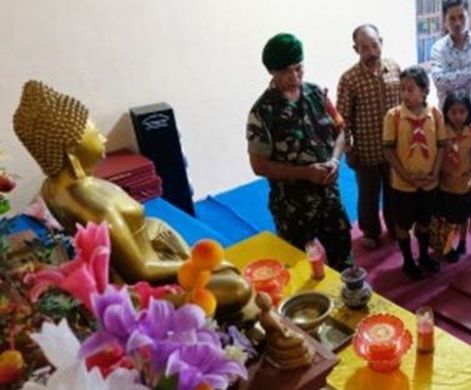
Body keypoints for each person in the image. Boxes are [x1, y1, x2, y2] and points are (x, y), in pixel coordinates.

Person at [13, 80, 251, 316]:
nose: (103, 138)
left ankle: (188, 269)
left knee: (160, 227)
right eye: (96, 134)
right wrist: (203, 266)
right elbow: (141, 272)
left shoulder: (54, 185)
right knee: (238, 289)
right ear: (71, 151)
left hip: (143, 246)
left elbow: (137, 231)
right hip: (135, 285)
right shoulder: (93, 206)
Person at [247, 33, 353, 271]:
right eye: (286, 72)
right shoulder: (262, 112)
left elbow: (340, 131)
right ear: (272, 72)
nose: (295, 76)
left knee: (343, 260)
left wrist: (335, 160)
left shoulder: (317, 95)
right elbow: (259, 165)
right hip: (293, 206)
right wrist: (306, 173)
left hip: (329, 197)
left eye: (299, 68)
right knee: (296, 267)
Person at [337, 24, 401, 250]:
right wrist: (349, 150)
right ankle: (371, 232)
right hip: (366, 151)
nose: (371, 51)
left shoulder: (394, 69)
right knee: (368, 195)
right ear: (356, 49)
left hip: (395, 149)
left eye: (374, 45)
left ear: (381, 42)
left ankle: (397, 228)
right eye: (364, 47)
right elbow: (342, 120)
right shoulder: (349, 79)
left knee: (395, 192)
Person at [430, 0, 471, 228]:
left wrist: (456, 75)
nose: (457, 23)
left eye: (461, 17)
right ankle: (448, 212)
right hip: (449, 120)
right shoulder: (438, 48)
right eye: (452, 18)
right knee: (449, 166)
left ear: (469, 17)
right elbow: (439, 81)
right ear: (444, 20)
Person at [383, 66, 448, 279]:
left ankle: (423, 256)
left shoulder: (435, 115)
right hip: (403, 184)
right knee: (402, 223)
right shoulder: (393, 116)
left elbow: (441, 146)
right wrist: (405, 175)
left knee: (424, 220)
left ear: (424, 91)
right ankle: (408, 261)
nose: (405, 94)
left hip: (429, 182)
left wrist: (435, 172)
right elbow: (388, 149)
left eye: (410, 89)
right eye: (402, 89)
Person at [436, 92, 471, 263]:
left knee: (464, 216)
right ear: (446, 112)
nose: (457, 116)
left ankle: (463, 242)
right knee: (447, 217)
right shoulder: (440, 131)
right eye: (453, 112)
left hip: (465, 183)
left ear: (469, 112)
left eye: (462, 112)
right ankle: (448, 246)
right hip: (445, 184)